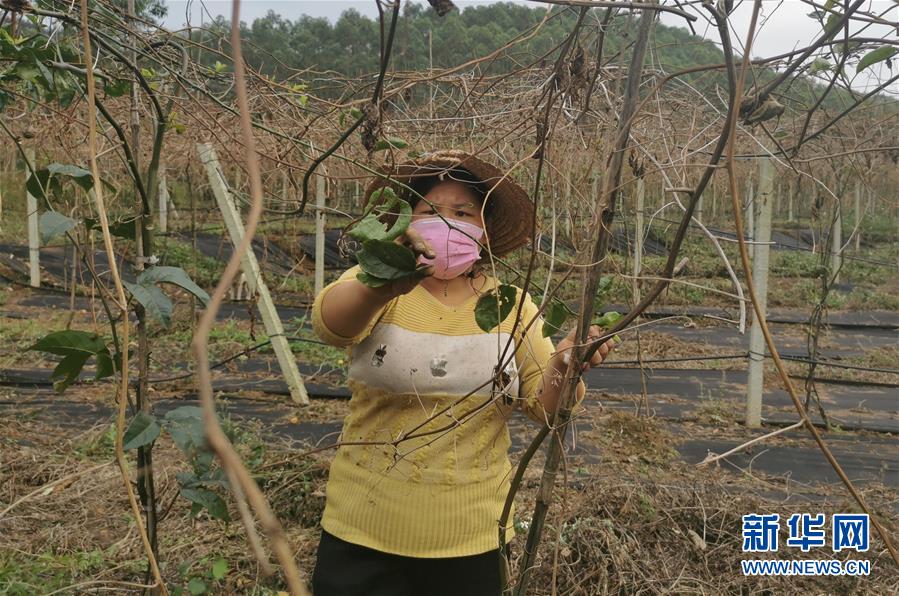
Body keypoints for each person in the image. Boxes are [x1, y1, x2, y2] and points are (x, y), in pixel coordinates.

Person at [309, 150, 617, 595]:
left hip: (470, 539)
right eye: (429, 211)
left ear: (484, 230)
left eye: (462, 212)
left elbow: (545, 410)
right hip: (361, 531)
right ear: (405, 224)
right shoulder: (375, 284)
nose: (446, 222)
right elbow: (331, 325)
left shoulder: (510, 305)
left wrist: (566, 364)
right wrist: (382, 284)